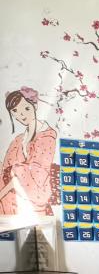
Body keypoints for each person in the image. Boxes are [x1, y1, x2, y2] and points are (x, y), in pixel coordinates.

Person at [1, 87, 57, 216]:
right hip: (12, 190)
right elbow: (6, 167)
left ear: (35, 106)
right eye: (15, 111)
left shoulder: (47, 136)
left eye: (26, 108)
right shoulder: (18, 140)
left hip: (34, 192)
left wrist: (3, 192)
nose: (21, 115)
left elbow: (38, 172)